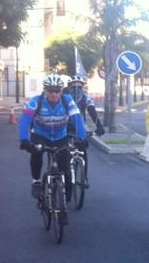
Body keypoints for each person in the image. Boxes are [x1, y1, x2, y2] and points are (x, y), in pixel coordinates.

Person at [18, 73, 88, 203]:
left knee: (65, 168)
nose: (54, 94)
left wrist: (82, 138)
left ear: (62, 90)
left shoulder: (67, 100)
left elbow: (77, 119)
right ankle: (37, 182)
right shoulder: (36, 101)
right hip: (40, 135)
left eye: (57, 91)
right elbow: (25, 121)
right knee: (36, 154)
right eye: (50, 90)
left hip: (60, 136)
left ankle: (64, 194)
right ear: (45, 90)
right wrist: (24, 140)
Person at [65, 75, 105, 188]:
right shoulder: (64, 97)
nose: (77, 89)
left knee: (83, 151)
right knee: (62, 151)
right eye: (74, 86)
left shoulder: (85, 98)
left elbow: (92, 111)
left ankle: (84, 177)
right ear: (69, 87)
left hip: (79, 127)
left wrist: (99, 126)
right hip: (64, 127)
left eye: (79, 86)